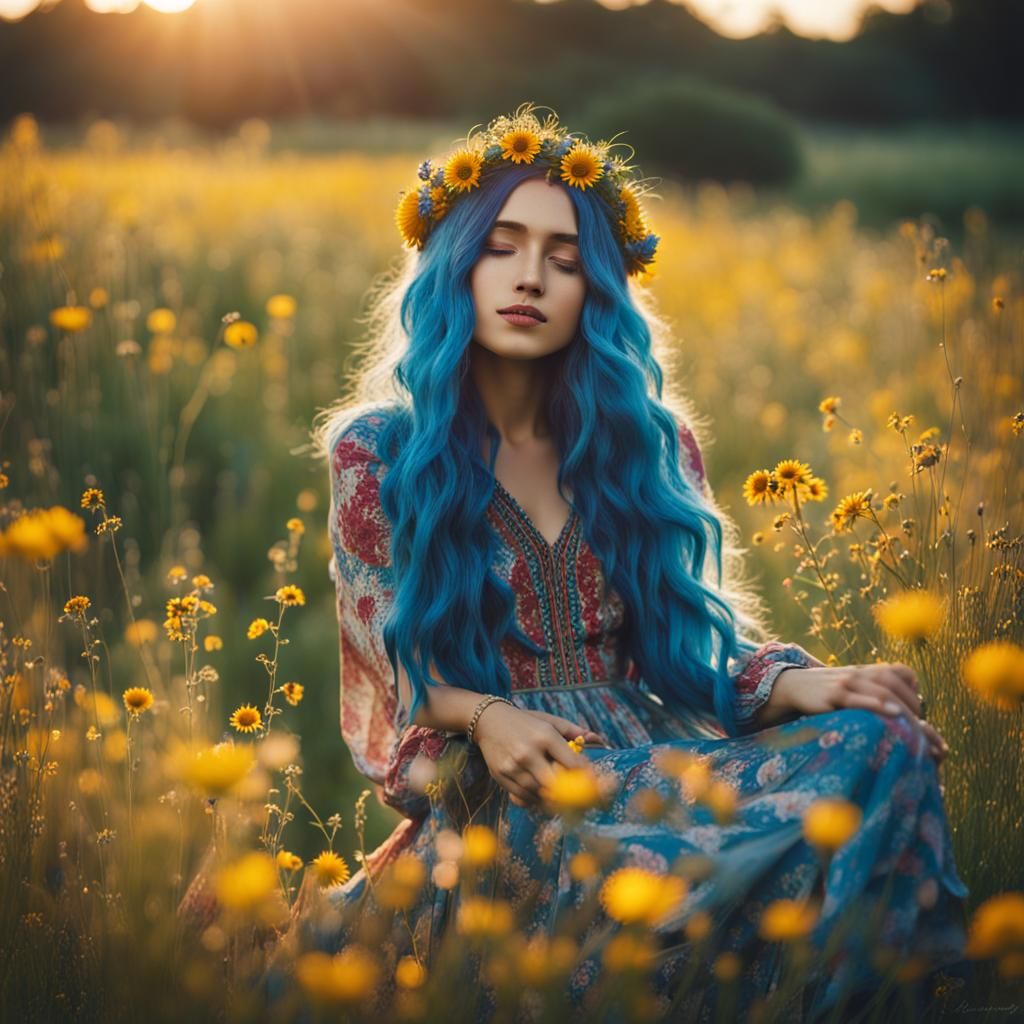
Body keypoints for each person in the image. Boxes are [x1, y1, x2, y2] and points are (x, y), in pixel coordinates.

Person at [271, 103, 969, 1022]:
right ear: (454, 267)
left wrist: (801, 685)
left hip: (648, 760)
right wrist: (487, 717)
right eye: (502, 247)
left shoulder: (648, 444)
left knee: (888, 745)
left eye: (565, 259)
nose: (532, 279)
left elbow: (684, 649)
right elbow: (405, 671)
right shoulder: (380, 451)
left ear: (596, 288)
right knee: (669, 870)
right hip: (513, 790)